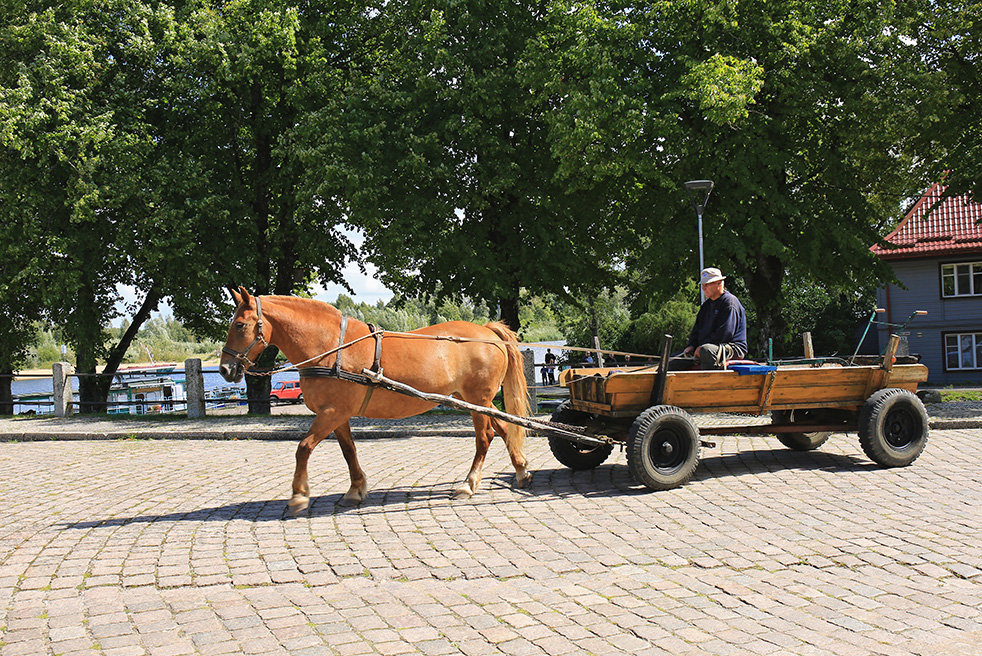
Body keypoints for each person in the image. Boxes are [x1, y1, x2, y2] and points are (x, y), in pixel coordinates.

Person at [678, 267, 748, 370]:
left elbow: (725, 334)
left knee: (706, 350)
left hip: (732, 348)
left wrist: (701, 347)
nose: (704, 288)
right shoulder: (706, 305)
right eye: (703, 285)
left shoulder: (729, 303)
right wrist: (692, 346)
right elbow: (696, 330)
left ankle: (709, 383)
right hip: (707, 346)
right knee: (674, 359)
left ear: (719, 283)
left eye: (707, 285)